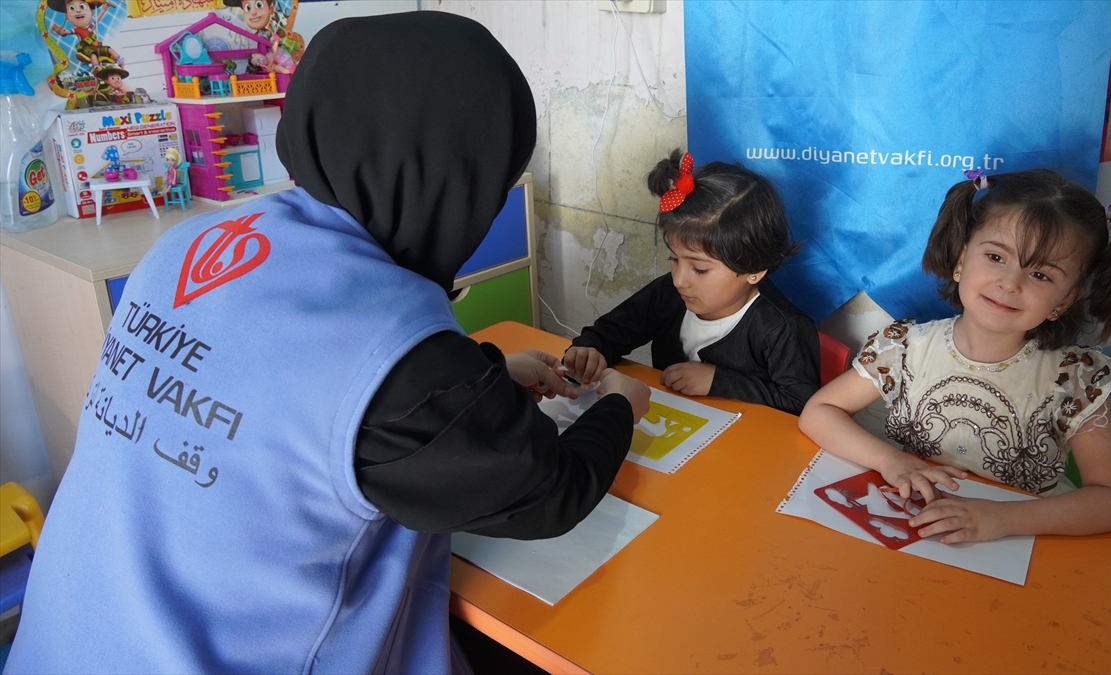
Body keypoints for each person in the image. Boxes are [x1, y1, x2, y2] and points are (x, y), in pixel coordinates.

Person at [5, 12, 650, 674]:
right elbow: (550, 489)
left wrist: (487, 370)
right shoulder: (398, 359)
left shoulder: (185, 248)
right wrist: (622, 402)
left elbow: (279, 398)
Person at [799, 168, 1111, 544]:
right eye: (996, 257)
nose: (1009, 283)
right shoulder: (905, 347)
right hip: (921, 533)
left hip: (1024, 545)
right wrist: (891, 461)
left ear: (1066, 300)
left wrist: (1000, 519)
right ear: (961, 259)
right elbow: (819, 413)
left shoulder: (1075, 379)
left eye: (1041, 275)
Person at [562, 149, 821, 415]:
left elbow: (800, 404)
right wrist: (590, 349)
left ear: (753, 269)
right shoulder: (668, 294)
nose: (679, 280)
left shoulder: (783, 328)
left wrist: (718, 381)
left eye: (699, 269)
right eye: (674, 259)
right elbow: (611, 333)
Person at [46, 0, 123, 69]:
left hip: (95, 47)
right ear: (66, 16)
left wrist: (103, 10)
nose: (78, 10)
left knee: (108, 49)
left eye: (82, 6)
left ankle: (119, 59)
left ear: (92, 12)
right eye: (72, 8)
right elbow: (65, 33)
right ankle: (96, 67)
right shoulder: (76, 30)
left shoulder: (90, 28)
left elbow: (97, 19)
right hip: (86, 48)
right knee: (92, 54)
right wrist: (60, 31)